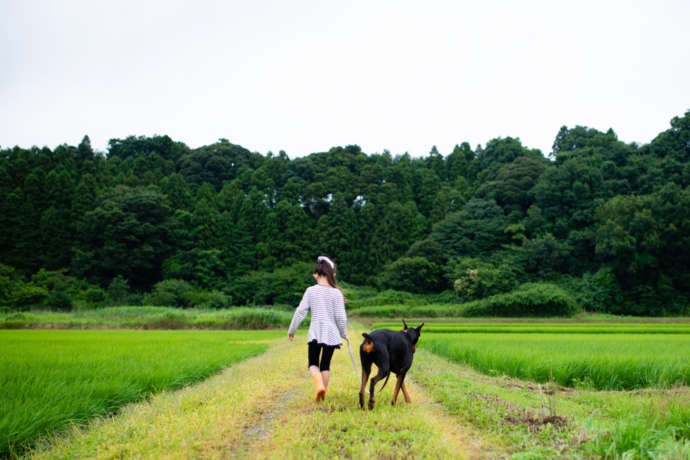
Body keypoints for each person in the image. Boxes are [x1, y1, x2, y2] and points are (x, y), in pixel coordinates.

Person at [288, 256, 348, 401]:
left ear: (316, 274)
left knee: (313, 363)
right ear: (331, 274)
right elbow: (341, 318)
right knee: (325, 365)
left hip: (316, 332)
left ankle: (319, 385)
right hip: (332, 334)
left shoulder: (311, 291)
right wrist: (343, 334)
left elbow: (300, 311)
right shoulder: (337, 293)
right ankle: (323, 394)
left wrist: (292, 330)